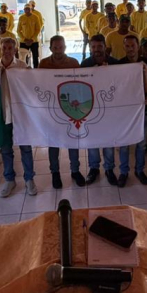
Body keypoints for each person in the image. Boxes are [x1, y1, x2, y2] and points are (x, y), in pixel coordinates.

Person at [0, 37, 37, 197]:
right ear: (0, 50)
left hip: (20, 115)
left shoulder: (23, 67)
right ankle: (9, 179)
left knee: (25, 148)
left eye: (10, 48)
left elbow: (31, 88)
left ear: (15, 50)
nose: (7, 51)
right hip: (2, 114)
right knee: (5, 150)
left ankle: (29, 179)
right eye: (4, 48)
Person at [106, 35, 147, 187]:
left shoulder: (146, 62)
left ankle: (139, 171)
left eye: (132, 45)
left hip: (142, 111)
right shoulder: (120, 65)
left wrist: (145, 73)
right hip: (125, 114)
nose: (130, 49)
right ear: (124, 47)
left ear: (138, 46)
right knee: (124, 144)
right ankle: (123, 172)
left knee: (141, 144)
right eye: (127, 46)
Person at [39, 36, 85, 188]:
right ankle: (55, 173)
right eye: (55, 48)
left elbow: (80, 85)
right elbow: (38, 85)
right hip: (51, 110)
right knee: (53, 142)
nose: (58, 51)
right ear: (50, 48)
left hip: (70, 108)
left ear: (65, 47)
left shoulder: (73, 63)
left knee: (73, 141)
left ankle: (75, 170)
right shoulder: (44, 64)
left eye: (61, 47)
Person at [80, 35, 117, 185]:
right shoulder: (85, 64)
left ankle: (109, 168)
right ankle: (94, 169)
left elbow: (120, 84)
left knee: (108, 140)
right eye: (93, 47)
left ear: (105, 46)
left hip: (109, 108)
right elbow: (80, 86)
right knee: (92, 140)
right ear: (90, 48)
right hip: (91, 109)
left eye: (99, 47)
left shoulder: (115, 63)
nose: (97, 50)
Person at [17, 3, 42, 67]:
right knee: (24, 58)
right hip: (23, 41)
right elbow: (18, 30)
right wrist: (24, 39)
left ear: (31, 9)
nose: (27, 10)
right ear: (24, 10)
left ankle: (36, 71)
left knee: (35, 57)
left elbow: (38, 29)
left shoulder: (35, 17)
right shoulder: (21, 18)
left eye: (28, 9)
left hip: (34, 41)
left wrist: (32, 39)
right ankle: (25, 71)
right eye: (25, 9)